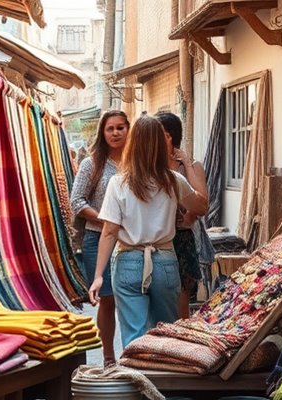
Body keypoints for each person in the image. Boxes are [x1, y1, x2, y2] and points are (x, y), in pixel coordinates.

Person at [88, 116, 208, 346]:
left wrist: (98, 276)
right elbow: (201, 207)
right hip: (164, 261)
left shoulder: (118, 182)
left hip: (127, 262)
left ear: (132, 144)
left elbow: (109, 232)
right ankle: (162, 381)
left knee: (134, 337)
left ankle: (136, 379)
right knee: (166, 335)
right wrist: (191, 167)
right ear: (161, 144)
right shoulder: (174, 180)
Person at [70, 110, 130, 366]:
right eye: (110, 129)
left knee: (131, 297)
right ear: (102, 133)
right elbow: (76, 201)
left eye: (120, 128)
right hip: (98, 239)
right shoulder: (91, 163)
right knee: (107, 299)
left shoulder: (137, 162)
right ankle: (108, 359)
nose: (115, 133)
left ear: (129, 130)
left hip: (132, 240)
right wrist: (105, 220)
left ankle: (134, 357)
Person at [154, 111, 207, 319]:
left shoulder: (192, 166)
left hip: (182, 238)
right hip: (157, 238)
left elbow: (202, 201)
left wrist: (185, 161)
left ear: (168, 136)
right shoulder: (152, 166)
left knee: (180, 299)